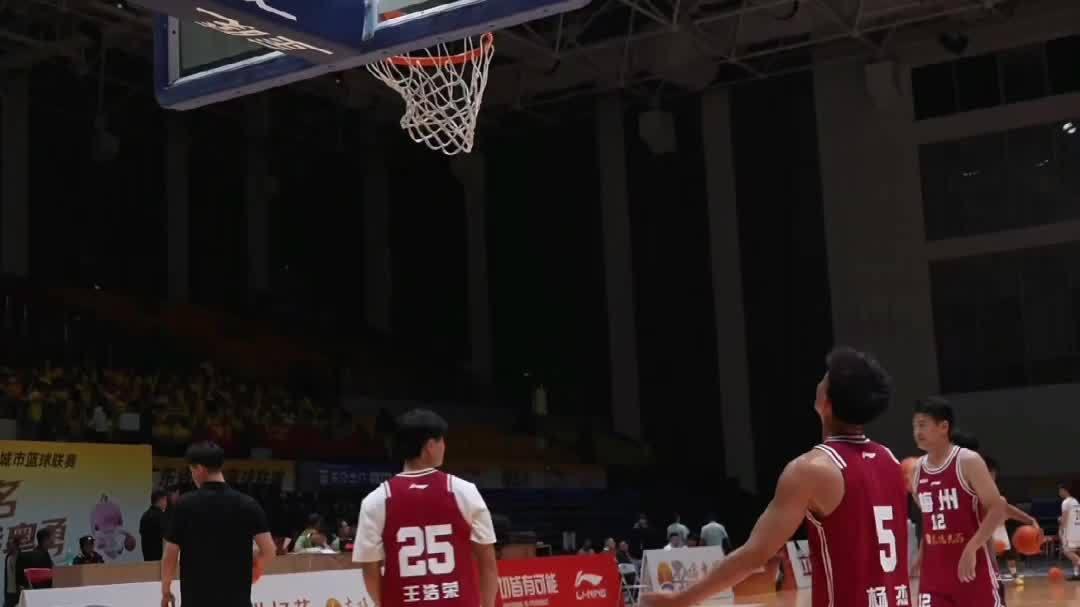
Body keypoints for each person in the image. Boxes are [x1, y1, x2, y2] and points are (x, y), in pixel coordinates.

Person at [645, 347, 908, 607]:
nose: (819, 381)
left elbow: (755, 553)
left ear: (826, 402)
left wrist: (682, 599)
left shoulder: (811, 469)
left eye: (824, 378)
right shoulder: (892, 461)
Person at [353, 409, 498, 607]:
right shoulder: (464, 491)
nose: (444, 446)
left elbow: (369, 569)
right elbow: (487, 562)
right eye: (442, 441)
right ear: (430, 446)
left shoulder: (375, 500)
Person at [911, 398, 1006, 607]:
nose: (917, 431)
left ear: (943, 427)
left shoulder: (968, 461)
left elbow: (997, 508)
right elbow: (929, 521)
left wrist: (972, 547)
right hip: (934, 577)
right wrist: (919, 558)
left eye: (923, 425)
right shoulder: (917, 469)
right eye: (915, 426)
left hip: (971, 572)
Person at [162, 442, 276, 607]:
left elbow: (170, 553)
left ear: (199, 468)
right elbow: (269, 550)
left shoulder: (184, 505)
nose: (192, 476)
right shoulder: (248, 504)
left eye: (192, 470)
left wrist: (166, 589)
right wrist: (256, 570)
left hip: (196, 601)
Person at [140, 489, 169, 561]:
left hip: (147, 560)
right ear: (161, 500)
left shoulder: (144, 516)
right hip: (160, 561)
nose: (166, 503)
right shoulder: (162, 517)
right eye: (165, 500)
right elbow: (166, 539)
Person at [1060, 484, 1080, 580]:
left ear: (1065, 490)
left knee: (1067, 551)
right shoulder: (1076, 501)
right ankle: (1076, 574)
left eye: (1060, 491)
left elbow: (1065, 517)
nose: (1059, 493)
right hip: (1078, 529)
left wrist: (1061, 529)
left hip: (1070, 531)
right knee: (1074, 553)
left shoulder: (1066, 502)